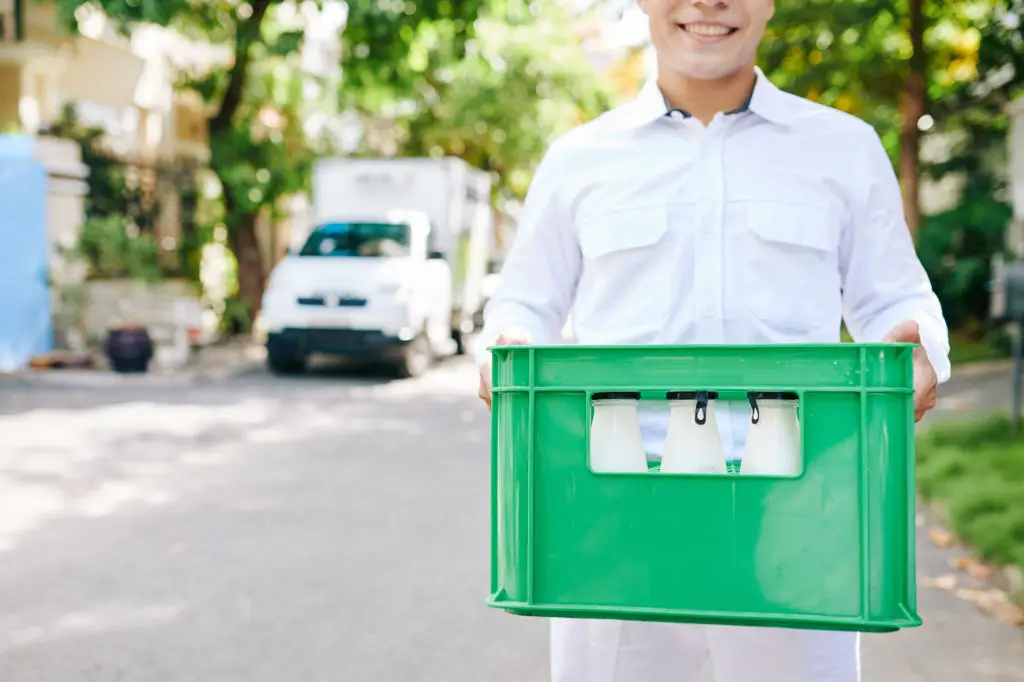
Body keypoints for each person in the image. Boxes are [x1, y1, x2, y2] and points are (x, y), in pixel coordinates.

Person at [476, 0, 950, 680]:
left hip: (795, 524)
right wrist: (509, 340)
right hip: (614, 524)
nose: (708, 2)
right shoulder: (578, 159)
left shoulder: (842, 148)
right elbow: (524, 301)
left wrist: (920, 348)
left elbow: (895, 298)